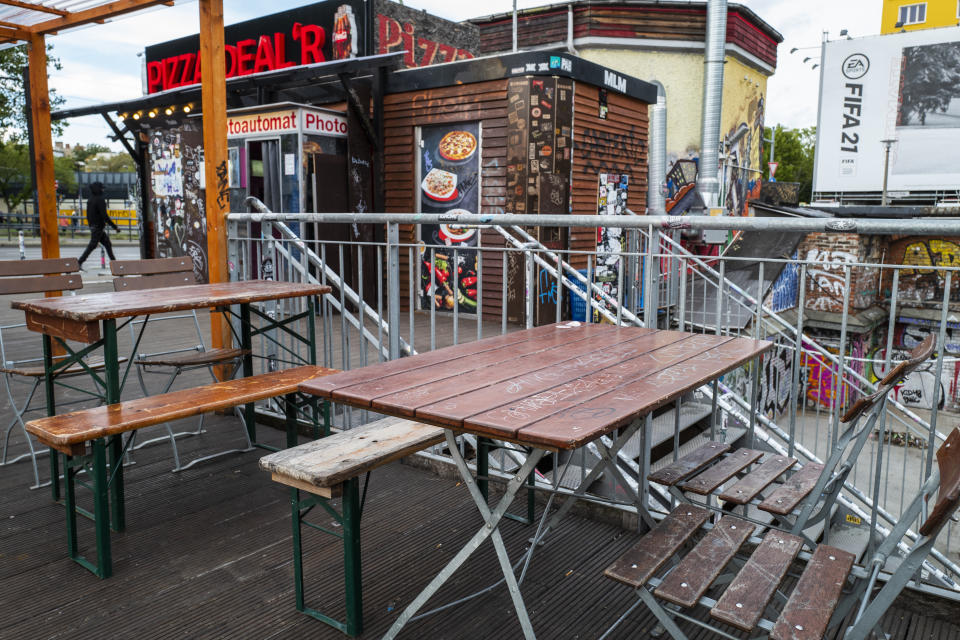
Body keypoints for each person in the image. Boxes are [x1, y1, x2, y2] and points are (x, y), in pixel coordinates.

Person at [77, 181, 118, 270]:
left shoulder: (90, 199)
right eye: (102, 188)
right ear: (98, 189)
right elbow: (105, 216)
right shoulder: (100, 200)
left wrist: (91, 225)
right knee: (92, 245)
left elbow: (88, 215)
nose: (103, 190)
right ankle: (79, 262)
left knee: (107, 243)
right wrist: (115, 227)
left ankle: (115, 264)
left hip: (94, 226)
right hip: (98, 227)